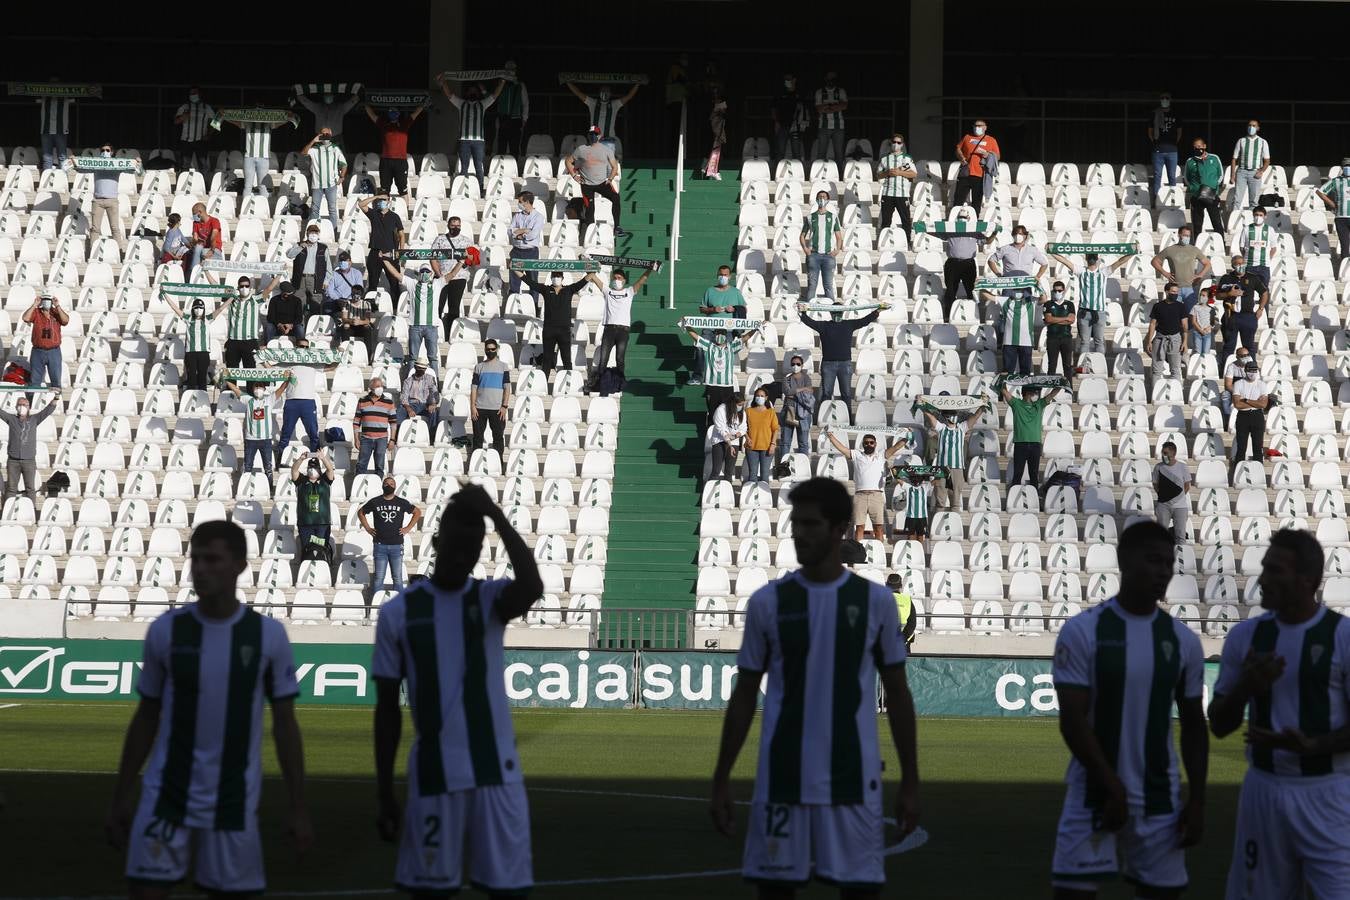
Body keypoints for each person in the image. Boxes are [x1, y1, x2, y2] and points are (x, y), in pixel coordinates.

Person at [709, 476, 918, 894]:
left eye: (811, 524)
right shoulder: (768, 602)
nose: (799, 534)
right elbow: (745, 693)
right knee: (775, 890)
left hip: (853, 776)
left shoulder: (875, 603)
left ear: (840, 528)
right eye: (796, 524)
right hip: (783, 776)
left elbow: (897, 693)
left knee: (859, 890)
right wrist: (722, 777)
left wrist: (911, 779)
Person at [106, 521, 312, 897]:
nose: (200, 569)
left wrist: (298, 806)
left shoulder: (267, 635)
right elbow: (146, 716)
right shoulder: (166, 631)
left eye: (212, 559)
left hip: (233, 802)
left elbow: (285, 725)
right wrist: (121, 795)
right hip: (165, 797)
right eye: (196, 559)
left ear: (240, 565)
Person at [373, 484, 542, 899]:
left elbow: (532, 586)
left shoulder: (489, 600)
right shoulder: (399, 613)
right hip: (434, 774)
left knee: (510, 891)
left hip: (496, 775)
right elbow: (387, 710)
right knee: (429, 890)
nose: (464, 555)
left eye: (473, 548)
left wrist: (497, 517)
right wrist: (383, 791)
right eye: (456, 544)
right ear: (435, 542)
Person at [1049, 519, 1207, 900]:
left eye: (1168, 563)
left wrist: (1198, 800)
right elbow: (1071, 721)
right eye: (1153, 560)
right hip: (1092, 792)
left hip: (1160, 797)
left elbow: (1193, 725)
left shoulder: (1182, 641)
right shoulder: (1083, 630)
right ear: (1124, 561)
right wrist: (1111, 784)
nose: (1163, 572)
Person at [1208, 529, 1350, 900]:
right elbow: (1220, 725)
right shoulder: (1245, 637)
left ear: (1307, 580)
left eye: (1275, 571)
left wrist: (1313, 745)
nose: (1262, 580)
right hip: (1264, 789)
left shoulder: (1342, 636)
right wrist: (1245, 687)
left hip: (1328, 792)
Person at [796, 300, 884, 421]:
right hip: (828, 365)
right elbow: (809, 322)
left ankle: (848, 419)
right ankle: (822, 418)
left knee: (846, 394)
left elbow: (865, 320)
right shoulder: (824, 325)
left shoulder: (849, 324)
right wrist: (803, 312)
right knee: (826, 394)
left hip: (845, 364)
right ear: (830, 313)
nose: (837, 314)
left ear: (843, 313)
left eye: (839, 312)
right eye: (834, 312)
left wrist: (878, 310)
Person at [826, 427, 909, 543]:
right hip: (860, 496)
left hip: (876, 495)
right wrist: (830, 437)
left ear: (875, 444)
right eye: (866, 443)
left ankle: (879, 551)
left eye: (871, 442)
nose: (868, 444)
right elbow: (842, 449)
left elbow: (896, 447)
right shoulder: (856, 455)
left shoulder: (881, 455)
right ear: (863, 444)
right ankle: (858, 553)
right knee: (859, 527)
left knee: (878, 528)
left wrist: (908, 436)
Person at [584, 267, 653, 392]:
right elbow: (593, 277)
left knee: (620, 359)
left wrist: (649, 269)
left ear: (624, 280)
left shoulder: (629, 291)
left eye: (619, 278)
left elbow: (642, 280)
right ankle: (599, 384)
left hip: (623, 331)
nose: (617, 280)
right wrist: (586, 263)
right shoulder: (608, 291)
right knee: (603, 359)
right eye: (615, 278)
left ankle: (620, 383)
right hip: (609, 330)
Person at [437, 75, 506, 195]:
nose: (473, 92)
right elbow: (449, 95)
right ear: (467, 92)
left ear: (478, 93)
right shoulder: (461, 104)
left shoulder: (482, 104)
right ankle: (464, 189)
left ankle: (479, 190)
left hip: (479, 141)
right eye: (471, 90)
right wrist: (444, 83)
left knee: (479, 166)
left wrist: (502, 82)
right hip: (464, 140)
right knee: (464, 167)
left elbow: (494, 96)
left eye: (475, 90)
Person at [1050, 250, 1129, 354]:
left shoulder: (1103, 271)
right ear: (1087, 258)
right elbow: (1065, 261)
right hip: (1085, 312)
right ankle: (1084, 365)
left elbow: (1119, 262)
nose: (1092, 258)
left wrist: (1132, 252)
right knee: (1086, 342)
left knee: (1098, 341)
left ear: (1096, 258)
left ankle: (1099, 366)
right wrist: (1051, 251)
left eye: (1093, 256)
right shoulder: (1081, 271)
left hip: (1099, 312)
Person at [513, 266, 583, 379]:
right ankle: (543, 383)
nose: (556, 278)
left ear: (562, 278)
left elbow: (583, 282)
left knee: (567, 361)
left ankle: (569, 386)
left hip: (564, 331)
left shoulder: (569, 290)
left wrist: (593, 270)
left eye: (558, 276)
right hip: (549, 330)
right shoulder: (546, 289)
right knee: (546, 360)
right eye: (554, 276)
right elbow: (530, 282)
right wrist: (515, 268)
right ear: (551, 278)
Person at [360, 476, 421, 597]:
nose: (389, 485)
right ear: (382, 486)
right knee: (378, 578)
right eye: (386, 483)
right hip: (379, 545)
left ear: (395, 487)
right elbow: (361, 512)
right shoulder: (375, 501)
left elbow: (417, 512)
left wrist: (408, 528)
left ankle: (398, 605)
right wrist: (367, 528)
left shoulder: (401, 502)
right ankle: (375, 606)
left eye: (392, 483)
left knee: (397, 578)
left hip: (397, 546)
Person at [224, 376, 287, 493]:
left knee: (268, 467)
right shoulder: (248, 400)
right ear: (253, 390)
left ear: (264, 389)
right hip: (250, 439)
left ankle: (269, 489)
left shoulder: (269, 400)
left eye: (260, 387)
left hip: (266, 440)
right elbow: (236, 390)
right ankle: (244, 488)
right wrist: (227, 380)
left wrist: (287, 380)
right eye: (256, 387)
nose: (258, 389)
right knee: (247, 466)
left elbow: (281, 389)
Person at [565, 126, 627, 236]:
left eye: (595, 134)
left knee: (616, 198)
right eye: (591, 134)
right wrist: (574, 176)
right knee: (590, 208)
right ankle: (591, 233)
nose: (593, 136)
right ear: (588, 135)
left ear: (599, 136)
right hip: (587, 184)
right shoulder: (581, 149)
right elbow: (568, 161)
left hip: (602, 183)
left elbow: (614, 166)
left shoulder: (606, 150)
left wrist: (611, 178)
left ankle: (617, 227)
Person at [937, 207, 995, 322]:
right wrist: (923, 228)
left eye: (964, 217)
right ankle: (948, 316)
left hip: (968, 264)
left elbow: (987, 241)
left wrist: (995, 233)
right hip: (952, 263)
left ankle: (973, 314)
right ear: (957, 218)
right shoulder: (950, 229)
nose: (962, 220)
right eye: (960, 217)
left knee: (971, 290)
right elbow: (937, 232)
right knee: (951, 290)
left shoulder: (974, 231)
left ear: (968, 218)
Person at [926, 402, 986, 512]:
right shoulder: (941, 428)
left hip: (957, 468)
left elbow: (975, 416)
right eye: (949, 414)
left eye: (953, 414)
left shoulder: (962, 428)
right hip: (942, 469)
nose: (951, 417)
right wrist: (921, 405)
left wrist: (983, 406)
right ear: (946, 417)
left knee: (956, 501)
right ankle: (938, 525)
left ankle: (954, 522)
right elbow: (930, 417)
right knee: (940, 501)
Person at [1002, 380, 1061, 488]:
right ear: (1028, 393)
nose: (1036, 395)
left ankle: (1035, 501)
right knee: (1017, 474)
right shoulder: (1017, 404)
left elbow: (1052, 394)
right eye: (1034, 393)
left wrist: (1062, 383)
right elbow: (1004, 391)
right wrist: (1003, 380)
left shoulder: (1039, 404)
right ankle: (1014, 499)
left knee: (1034, 475)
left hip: (1035, 445)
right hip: (1021, 444)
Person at [0, 394, 56, 506]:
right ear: (16, 407)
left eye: (24, 404)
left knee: (30, 488)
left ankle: (32, 511)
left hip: (29, 461)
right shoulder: (11, 419)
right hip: (13, 461)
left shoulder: (34, 419)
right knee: (11, 489)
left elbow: (47, 410)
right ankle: (6, 511)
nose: (22, 407)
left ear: (29, 407)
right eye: (20, 404)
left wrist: (56, 398)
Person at [684, 325, 752, 413]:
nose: (720, 335)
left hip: (727, 386)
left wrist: (756, 328)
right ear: (714, 335)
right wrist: (687, 326)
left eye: (722, 333)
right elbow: (696, 338)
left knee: (727, 413)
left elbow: (745, 338)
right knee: (713, 412)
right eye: (717, 333)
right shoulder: (709, 346)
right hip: (712, 386)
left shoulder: (731, 347)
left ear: (726, 336)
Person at [365, 103, 427, 198]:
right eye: (391, 112)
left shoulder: (404, 124)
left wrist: (423, 105)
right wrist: (365, 103)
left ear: (398, 114)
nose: (393, 114)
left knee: (403, 190)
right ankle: (384, 212)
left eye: (394, 112)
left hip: (400, 161)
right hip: (386, 161)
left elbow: (415, 114)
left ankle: (405, 210)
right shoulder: (383, 124)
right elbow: (372, 115)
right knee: (384, 190)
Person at [566, 81, 641, 157]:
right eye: (603, 91)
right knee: (595, 164)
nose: (605, 93)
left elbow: (629, 96)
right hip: (594, 140)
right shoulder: (592, 103)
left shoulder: (614, 104)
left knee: (607, 164)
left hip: (608, 140)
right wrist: (568, 82)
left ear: (610, 93)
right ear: (599, 93)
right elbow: (579, 93)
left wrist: (638, 83)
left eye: (607, 91)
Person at [164, 294, 222, 391]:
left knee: (202, 379)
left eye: (200, 307)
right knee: (191, 378)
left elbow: (220, 309)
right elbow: (175, 308)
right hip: (191, 353)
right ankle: (190, 400)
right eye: (196, 307)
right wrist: (165, 295)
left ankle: (203, 402)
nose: (198, 309)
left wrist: (231, 298)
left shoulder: (208, 319)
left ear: (204, 309)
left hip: (204, 353)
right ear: (192, 309)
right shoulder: (188, 319)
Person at [1150, 225, 1212, 313]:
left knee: (1191, 314)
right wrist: (1165, 273)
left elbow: (1207, 263)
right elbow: (1154, 261)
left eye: (1188, 236)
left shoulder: (1194, 250)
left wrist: (1200, 275)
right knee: (1174, 313)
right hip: (1175, 288)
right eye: (1185, 235)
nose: (1187, 237)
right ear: (1179, 235)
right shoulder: (1170, 250)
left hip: (1190, 288)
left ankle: (1189, 327)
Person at [277, 361, 332, 460]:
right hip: (291, 402)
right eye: (301, 346)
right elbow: (269, 368)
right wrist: (261, 356)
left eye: (306, 347)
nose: (303, 349)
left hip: (308, 402)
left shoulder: (313, 362)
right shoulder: (287, 361)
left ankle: (314, 461)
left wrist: (340, 355)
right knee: (286, 434)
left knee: (313, 434)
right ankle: (281, 460)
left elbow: (332, 367)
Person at [221, 114, 286, 198]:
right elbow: (236, 122)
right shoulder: (248, 123)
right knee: (248, 185)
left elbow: (279, 123)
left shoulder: (269, 123)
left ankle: (263, 206)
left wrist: (288, 118)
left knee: (262, 185)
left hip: (263, 157)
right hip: (249, 157)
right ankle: (245, 206)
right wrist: (226, 116)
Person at [359, 193, 406, 307]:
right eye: (380, 200)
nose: (381, 201)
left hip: (391, 253)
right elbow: (361, 204)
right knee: (373, 282)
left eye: (384, 200)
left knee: (394, 282)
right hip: (375, 251)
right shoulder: (374, 213)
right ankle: (371, 307)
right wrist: (376, 197)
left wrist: (400, 252)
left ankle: (395, 307)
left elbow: (401, 235)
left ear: (389, 201)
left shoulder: (394, 216)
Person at [1216, 253, 1267, 356]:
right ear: (1233, 266)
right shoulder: (1226, 278)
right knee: (1229, 347)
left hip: (1248, 316)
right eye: (1238, 264)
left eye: (1243, 263)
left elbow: (1264, 293)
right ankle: (1226, 370)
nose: (1241, 265)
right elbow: (1218, 295)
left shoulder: (1253, 277)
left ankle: (1251, 370)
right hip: (1231, 316)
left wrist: (1261, 308)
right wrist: (1228, 294)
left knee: (1249, 347)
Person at [84, 142, 130, 254]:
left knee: (115, 228)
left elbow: (132, 170)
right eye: (103, 150)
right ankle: (93, 252)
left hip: (112, 200)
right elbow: (81, 168)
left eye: (108, 150)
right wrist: (73, 161)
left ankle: (120, 252)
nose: (105, 152)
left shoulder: (117, 165)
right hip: (97, 200)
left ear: (112, 152)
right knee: (95, 229)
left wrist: (137, 162)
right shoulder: (96, 164)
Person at [218, 276, 271, 368]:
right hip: (233, 340)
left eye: (246, 286)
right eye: (242, 286)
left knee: (250, 371)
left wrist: (279, 274)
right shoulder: (232, 299)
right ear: (238, 288)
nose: (244, 288)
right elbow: (217, 287)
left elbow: (269, 288)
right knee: (231, 371)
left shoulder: (255, 299)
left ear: (250, 287)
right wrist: (206, 271)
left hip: (249, 341)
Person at [291, 451, 334, 562]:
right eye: (310, 467)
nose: (312, 469)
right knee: (307, 550)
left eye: (314, 467)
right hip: (305, 523)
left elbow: (330, 470)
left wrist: (323, 458)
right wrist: (301, 459)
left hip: (322, 524)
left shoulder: (325, 480)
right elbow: (294, 470)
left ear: (319, 469)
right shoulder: (301, 481)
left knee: (321, 550)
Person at [398, 264, 445, 367]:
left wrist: (461, 262)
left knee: (432, 358)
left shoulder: (437, 284)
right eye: (422, 271)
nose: (424, 274)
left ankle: (435, 382)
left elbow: (452, 274)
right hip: (415, 326)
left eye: (427, 272)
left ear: (431, 273)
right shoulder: (412, 284)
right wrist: (384, 260)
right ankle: (409, 380)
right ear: (419, 274)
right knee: (412, 357)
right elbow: (396, 275)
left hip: (431, 327)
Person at [471, 340, 510, 460]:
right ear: (485, 350)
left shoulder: (504, 367)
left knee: (498, 438)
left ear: (497, 349)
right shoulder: (479, 367)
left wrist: (504, 406)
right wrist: (472, 406)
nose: (490, 351)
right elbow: (473, 388)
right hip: (480, 408)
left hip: (497, 409)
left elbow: (507, 388)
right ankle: (475, 463)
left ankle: (498, 463)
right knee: (477, 438)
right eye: (488, 349)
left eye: (493, 349)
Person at [1230, 360, 1269, 482]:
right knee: (1241, 447)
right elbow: (1237, 404)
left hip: (1257, 416)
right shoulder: (1239, 383)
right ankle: (1237, 476)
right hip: (1243, 416)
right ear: (1245, 371)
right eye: (1250, 370)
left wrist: (1246, 400)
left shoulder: (1262, 384)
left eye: (1254, 370)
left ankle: (1258, 475)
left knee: (1258, 447)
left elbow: (1263, 404)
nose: (1252, 373)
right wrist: (1254, 402)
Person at [800, 190, 842, 301]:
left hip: (828, 256)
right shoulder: (810, 217)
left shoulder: (833, 217)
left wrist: (837, 250)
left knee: (828, 286)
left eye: (824, 197)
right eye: (819, 197)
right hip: (813, 255)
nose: (822, 199)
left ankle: (832, 313)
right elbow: (802, 235)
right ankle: (807, 312)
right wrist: (805, 249)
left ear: (828, 200)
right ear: (816, 199)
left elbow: (838, 236)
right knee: (812, 286)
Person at [302, 129, 346, 233]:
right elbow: (303, 153)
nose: (325, 135)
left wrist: (342, 177)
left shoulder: (335, 149)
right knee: (315, 209)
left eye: (327, 133)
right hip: (317, 184)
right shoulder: (315, 149)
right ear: (319, 134)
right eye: (323, 133)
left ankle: (333, 232)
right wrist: (313, 141)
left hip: (331, 184)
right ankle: (313, 231)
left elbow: (344, 164)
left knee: (332, 209)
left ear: (331, 135)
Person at [286, 223, 334, 318]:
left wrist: (326, 280)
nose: (313, 235)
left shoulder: (323, 248)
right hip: (300, 279)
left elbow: (328, 266)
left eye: (315, 233)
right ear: (307, 233)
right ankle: (301, 327)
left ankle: (313, 328)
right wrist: (300, 247)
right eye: (311, 232)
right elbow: (289, 255)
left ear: (318, 234)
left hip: (316, 280)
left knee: (316, 305)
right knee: (299, 305)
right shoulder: (299, 245)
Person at [432, 216, 472, 326]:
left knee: (454, 307)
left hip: (459, 277)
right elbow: (433, 258)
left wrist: (468, 258)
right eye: (453, 225)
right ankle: (436, 329)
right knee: (438, 305)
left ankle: (450, 332)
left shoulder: (466, 241)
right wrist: (438, 273)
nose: (456, 227)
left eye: (458, 226)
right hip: (442, 276)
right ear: (448, 226)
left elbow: (473, 260)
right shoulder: (440, 239)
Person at [23, 291, 68, 389]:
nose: (46, 302)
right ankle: (33, 402)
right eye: (45, 300)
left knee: (56, 380)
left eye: (48, 300)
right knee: (35, 381)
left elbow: (65, 320)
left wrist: (58, 306)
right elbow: (26, 318)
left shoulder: (56, 313)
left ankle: (55, 402)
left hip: (54, 351)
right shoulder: (36, 312)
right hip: (38, 351)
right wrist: (34, 305)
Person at [1150, 441, 1192, 545]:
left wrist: (1177, 498)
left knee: (1180, 536)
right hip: (1163, 505)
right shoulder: (1158, 467)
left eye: (1165, 453)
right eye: (1162, 452)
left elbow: (1187, 485)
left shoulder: (1183, 467)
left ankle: (1180, 559)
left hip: (1180, 506)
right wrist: (1164, 497)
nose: (1163, 455)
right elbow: (1155, 484)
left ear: (1173, 453)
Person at [354, 376, 396, 475]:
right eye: (377, 386)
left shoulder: (389, 402)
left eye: (381, 386)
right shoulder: (362, 401)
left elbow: (393, 422)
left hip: (381, 439)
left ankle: (377, 487)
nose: (380, 388)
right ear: (371, 388)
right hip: (365, 439)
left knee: (380, 466)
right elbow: (356, 421)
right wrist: (356, 439)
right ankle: (359, 485)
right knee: (361, 465)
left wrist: (392, 440)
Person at [1145, 284, 1188, 379]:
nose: (1175, 294)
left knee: (1175, 370)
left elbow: (1185, 325)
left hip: (1175, 339)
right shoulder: (1158, 306)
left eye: (1177, 292)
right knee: (1156, 370)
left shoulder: (1181, 306)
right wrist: (1149, 341)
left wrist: (1185, 342)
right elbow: (1152, 324)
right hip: (1160, 338)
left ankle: (1176, 393)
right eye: (1173, 292)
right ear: (1167, 292)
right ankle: (1155, 393)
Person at [876, 133, 916, 236]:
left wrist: (899, 173)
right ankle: (884, 243)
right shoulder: (885, 158)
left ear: (902, 144)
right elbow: (878, 175)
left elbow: (913, 174)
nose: (896, 144)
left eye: (898, 142)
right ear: (890, 143)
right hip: (887, 192)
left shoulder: (906, 158)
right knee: (886, 221)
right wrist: (887, 173)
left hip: (902, 194)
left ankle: (907, 242)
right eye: (894, 142)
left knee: (906, 221)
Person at [295, 87, 359, 150]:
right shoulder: (318, 107)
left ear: (333, 96)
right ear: (323, 96)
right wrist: (297, 93)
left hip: (336, 138)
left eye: (330, 94)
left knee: (340, 157)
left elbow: (351, 102)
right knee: (316, 156)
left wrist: (359, 93)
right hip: (320, 137)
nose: (328, 96)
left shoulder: (340, 107)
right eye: (326, 94)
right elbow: (307, 102)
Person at [955, 119, 999, 210]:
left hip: (980, 174)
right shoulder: (967, 137)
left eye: (980, 126)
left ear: (985, 127)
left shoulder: (991, 140)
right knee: (958, 200)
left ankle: (975, 219)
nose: (977, 127)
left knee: (976, 201)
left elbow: (997, 156)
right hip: (965, 173)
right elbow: (958, 149)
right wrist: (961, 157)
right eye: (975, 126)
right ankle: (955, 219)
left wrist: (987, 155)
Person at [1148, 92, 1182, 206]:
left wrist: (1174, 143)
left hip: (1172, 150)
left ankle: (1172, 199)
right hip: (1158, 150)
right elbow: (1150, 131)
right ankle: (1157, 199)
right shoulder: (1154, 113)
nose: (1164, 99)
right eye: (1162, 98)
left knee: (1172, 176)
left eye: (1166, 98)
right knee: (1157, 175)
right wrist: (1155, 141)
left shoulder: (1176, 113)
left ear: (1170, 99)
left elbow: (1179, 131)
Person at [1185, 137, 1224, 236]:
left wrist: (1213, 187)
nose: (1198, 148)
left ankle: (1221, 244)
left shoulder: (1214, 158)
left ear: (1204, 146)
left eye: (1199, 146)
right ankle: (1197, 246)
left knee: (1217, 223)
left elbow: (1220, 175)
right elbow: (1186, 178)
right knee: (1197, 225)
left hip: (1211, 195)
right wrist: (1194, 188)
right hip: (1197, 197)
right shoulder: (1190, 161)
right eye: (1195, 147)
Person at [507, 191, 544, 298]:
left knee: (532, 280)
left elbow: (533, 234)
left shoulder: (538, 217)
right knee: (514, 279)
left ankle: (534, 306)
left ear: (527, 202)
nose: (518, 203)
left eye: (520, 201)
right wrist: (524, 230)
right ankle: (512, 303)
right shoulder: (517, 215)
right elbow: (510, 231)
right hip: (517, 250)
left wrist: (519, 233)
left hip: (530, 252)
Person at [1229, 119, 1271, 212]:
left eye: (1254, 125)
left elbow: (1267, 160)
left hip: (1255, 172)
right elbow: (1234, 159)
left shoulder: (1263, 142)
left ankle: (1251, 222)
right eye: (1250, 125)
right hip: (1241, 172)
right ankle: (1234, 221)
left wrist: (1261, 171)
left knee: (1254, 201)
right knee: (1237, 199)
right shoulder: (1241, 141)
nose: (1251, 127)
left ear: (1258, 128)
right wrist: (1232, 176)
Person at [1315, 158, 1350, 268]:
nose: (1348, 168)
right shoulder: (1336, 181)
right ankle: (1345, 270)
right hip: (1341, 218)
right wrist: (1332, 203)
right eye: (1346, 166)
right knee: (1344, 245)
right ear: (1342, 168)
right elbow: (1320, 191)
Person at [399, 353, 441, 439]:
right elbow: (404, 397)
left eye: (423, 369)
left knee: (434, 412)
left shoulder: (429, 378)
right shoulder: (408, 381)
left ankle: (430, 436)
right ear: (415, 367)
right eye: (419, 368)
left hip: (425, 405)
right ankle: (399, 434)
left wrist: (433, 404)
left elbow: (434, 392)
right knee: (400, 410)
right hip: (412, 404)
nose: (421, 370)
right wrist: (408, 408)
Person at [997, 289, 1039, 376]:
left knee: (1025, 373)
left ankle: (1026, 390)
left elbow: (1044, 299)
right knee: (1007, 372)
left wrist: (1039, 285)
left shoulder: (1031, 300)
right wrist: (980, 285)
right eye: (1016, 288)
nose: (1018, 291)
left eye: (1020, 288)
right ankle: (1006, 389)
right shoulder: (1005, 300)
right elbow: (986, 296)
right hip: (1009, 342)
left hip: (1026, 342)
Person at [1042, 282, 1077, 385]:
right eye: (1055, 290)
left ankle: (1069, 389)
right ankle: (1049, 388)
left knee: (1067, 365)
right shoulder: (1048, 304)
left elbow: (1071, 320)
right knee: (1052, 364)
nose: (1057, 292)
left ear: (1063, 291)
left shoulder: (1069, 304)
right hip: (1052, 338)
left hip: (1066, 337)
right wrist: (1065, 319)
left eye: (1060, 290)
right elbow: (1048, 319)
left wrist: (1054, 320)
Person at [1233, 204, 1276, 288]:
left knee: (1264, 291)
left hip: (1264, 266)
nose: (1258, 217)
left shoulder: (1270, 230)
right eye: (1256, 215)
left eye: (1260, 215)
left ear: (1265, 216)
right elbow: (1242, 247)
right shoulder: (1247, 229)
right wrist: (1247, 257)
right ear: (1253, 215)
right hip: (1249, 265)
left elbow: (1273, 248)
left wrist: (1267, 258)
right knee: (1247, 291)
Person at [493, 61, 529, 159]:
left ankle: (514, 169)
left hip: (515, 120)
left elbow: (525, 103)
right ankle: (499, 169)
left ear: (515, 71)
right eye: (508, 70)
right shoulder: (500, 84)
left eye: (512, 69)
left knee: (515, 148)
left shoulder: (520, 85)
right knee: (501, 147)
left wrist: (524, 119)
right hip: (502, 119)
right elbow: (493, 98)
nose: (510, 72)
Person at [743, 387, 779, 484]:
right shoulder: (748, 411)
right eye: (757, 396)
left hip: (767, 447)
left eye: (762, 396)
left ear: (766, 398)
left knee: (765, 475)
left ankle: (764, 496)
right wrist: (746, 437)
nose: (759, 397)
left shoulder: (771, 412)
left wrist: (773, 444)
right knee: (752, 474)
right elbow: (742, 427)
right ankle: (752, 498)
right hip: (751, 447)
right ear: (754, 397)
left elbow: (775, 429)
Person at [707, 393, 746, 482]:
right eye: (739, 405)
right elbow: (722, 430)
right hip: (719, 441)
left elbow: (743, 428)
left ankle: (728, 492)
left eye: (742, 405)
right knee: (716, 470)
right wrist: (730, 444)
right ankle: (708, 492)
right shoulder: (721, 410)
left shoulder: (742, 412)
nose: (741, 407)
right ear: (733, 403)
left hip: (734, 441)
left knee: (729, 471)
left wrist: (735, 436)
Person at [811, 71, 849, 163]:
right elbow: (819, 109)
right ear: (825, 79)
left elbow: (844, 106)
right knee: (821, 152)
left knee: (839, 153)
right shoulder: (819, 92)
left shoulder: (841, 91)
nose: (831, 81)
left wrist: (827, 106)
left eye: (833, 79)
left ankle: (839, 174)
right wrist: (836, 106)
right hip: (823, 126)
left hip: (839, 126)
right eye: (829, 79)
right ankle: (819, 173)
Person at [771, 74, 809, 164]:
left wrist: (803, 124)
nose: (787, 81)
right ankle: (777, 172)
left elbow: (805, 111)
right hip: (782, 125)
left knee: (796, 152)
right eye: (785, 79)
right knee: (780, 152)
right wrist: (776, 122)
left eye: (789, 79)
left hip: (796, 127)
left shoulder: (800, 93)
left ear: (794, 80)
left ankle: (798, 173)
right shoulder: (780, 93)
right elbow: (773, 108)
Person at [37, 90, 73, 172]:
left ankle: (63, 180)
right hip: (46, 131)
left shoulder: (66, 96)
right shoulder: (44, 96)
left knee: (62, 157)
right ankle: (47, 181)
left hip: (61, 131)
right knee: (47, 158)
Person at [340, 287, 378, 360]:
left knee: (367, 328)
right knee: (345, 327)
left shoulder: (366, 304)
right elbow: (344, 318)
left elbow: (367, 320)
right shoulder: (346, 304)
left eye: (358, 294)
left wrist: (360, 322)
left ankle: (368, 354)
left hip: (361, 326)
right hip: (350, 325)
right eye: (354, 293)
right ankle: (344, 353)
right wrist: (351, 321)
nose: (356, 296)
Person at [187, 202, 222, 279]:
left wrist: (212, 250)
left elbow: (213, 237)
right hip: (202, 250)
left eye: (194, 213)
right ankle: (194, 274)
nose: (193, 216)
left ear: (199, 212)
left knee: (200, 251)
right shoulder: (196, 223)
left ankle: (193, 275)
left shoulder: (214, 221)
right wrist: (195, 241)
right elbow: (195, 238)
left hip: (214, 250)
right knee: (197, 249)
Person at [1218, 346, 1254, 422]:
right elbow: (1228, 385)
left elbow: (1256, 384)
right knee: (1225, 395)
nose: (1246, 357)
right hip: (1234, 392)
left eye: (1247, 355)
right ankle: (1227, 419)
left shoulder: (1252, 366)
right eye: (1243, 356)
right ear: (1237, 357)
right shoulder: (1231, 366)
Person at [324, 249, 364, 316]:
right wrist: (338, 300)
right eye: (341, 261)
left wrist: (349, 300)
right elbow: (329, 290)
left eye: (345, 260)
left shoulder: (357, 273)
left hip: (352, 300)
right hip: (336, 300)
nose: (343, 262)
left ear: (350, 262)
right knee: (327, 308)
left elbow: (359, 290)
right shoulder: (333, 274)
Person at [266, 282, 306, 346]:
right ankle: (269, 345)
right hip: (277, 326)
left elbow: (299, 318)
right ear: (283, 293)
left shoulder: (297, 301)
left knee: (300, 328)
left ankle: (301, 346)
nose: (289, 296)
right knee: (269, 327)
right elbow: (270, 316)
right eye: (287, 294)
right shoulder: (274, 300)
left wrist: (290, 325)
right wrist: (279, 324)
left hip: (291, 327)